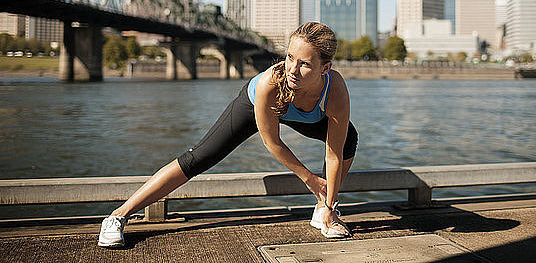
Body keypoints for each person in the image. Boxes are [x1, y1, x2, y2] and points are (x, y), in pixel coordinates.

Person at [98, 22, 358, 247]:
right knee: (199, 158)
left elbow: (333, 154)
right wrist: (310, 178)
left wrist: (330, 203)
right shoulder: (270, 83)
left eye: (305, 64)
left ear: (325, 68)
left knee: (348, 138)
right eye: (289, 57)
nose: (292, 68)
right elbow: (273, 142)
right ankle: (118, 215)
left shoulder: (335, 89)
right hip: (253, 105)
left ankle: (324, 212)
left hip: (303, 115)